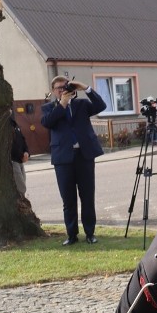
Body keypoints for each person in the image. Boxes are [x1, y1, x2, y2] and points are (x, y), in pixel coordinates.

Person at [41, 76, 106, 245]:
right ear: (54, 91)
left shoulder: (82, 105)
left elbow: (101, 106)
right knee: (68, 200)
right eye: (58, 88)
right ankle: (71, 235)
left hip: (84, 156)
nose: (62, 90)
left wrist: (85, 87)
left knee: (87, 197)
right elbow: (47, 123)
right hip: (63, 159)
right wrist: (62, 104)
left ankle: (90, 233)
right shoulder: (48, 108)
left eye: (65, 87)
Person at [9, 110, 29, 196]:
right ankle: (21, 206)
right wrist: (21, 155)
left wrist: (27, 152)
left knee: (22, 184)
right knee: (21, 188)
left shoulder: (14, 123)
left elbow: (22, 139)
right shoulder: (3, 125)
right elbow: (10, 145)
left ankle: (22, 204)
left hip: (20, 160)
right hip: (13, 161)